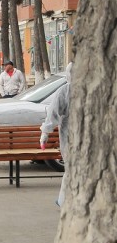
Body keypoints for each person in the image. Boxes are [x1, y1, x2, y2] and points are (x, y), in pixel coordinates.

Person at [40, 62, 72, 206]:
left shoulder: (65, 91)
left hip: (70, 140)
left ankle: (64, 201)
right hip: (76, 139)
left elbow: (52, 115)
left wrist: (45, 134)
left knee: (71, 171)